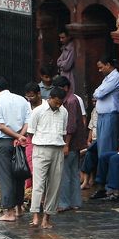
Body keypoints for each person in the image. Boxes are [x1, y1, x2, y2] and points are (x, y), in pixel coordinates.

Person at [0, 75, 30, 222]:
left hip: (4, 142)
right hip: (19, 142)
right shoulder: (22, 100)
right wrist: (20, 136)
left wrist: (16, 136)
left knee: (5, 177)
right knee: (19, 174)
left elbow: (0, 125)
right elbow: (28, 122)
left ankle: (9, 212)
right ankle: (19, 208)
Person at [27, 87, 69, 230]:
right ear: (50, 98)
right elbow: (31, 133)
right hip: (41, 148)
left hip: (57, 149)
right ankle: (35, 215)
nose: (58, 105)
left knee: (54, 185)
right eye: (56, 102)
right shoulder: (37, 111)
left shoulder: (64, 112)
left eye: (60, 103)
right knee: (38, 184)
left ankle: (47, 217)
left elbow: (63, 133)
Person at [54, 75, 87, 212]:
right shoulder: (71, 100)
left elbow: (71, 126)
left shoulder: (71, 102)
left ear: (66, 88)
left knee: (65, 173)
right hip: (74, 143)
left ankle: (64, 202)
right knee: (73, 172)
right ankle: (75, 201)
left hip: (70, 143)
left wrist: (66, 144)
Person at [93, 56, 119, 154]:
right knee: (101, 147)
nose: (99, 70)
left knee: (107, 148)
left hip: (110, 116)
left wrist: (97, 94)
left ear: (108, 65)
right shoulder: (107, 78)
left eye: (101, 67)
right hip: (103, 116)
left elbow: (98, 93)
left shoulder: (115, 77)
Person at [22, 83, 43, 194]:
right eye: (27, 97)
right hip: (29, 139)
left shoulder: (45, 106)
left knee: (40, 168)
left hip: (43, 139)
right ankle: (31, 191)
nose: (29, 99)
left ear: (39, 94)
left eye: (32, 96)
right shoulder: (25, 106)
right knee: (31, 165)